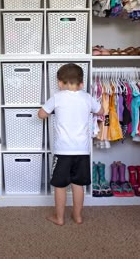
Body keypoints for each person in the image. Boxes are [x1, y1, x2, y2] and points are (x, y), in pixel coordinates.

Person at [38, 63, 103, 226]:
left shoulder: (57, 97)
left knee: (59, 186)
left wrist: (52, 111)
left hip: (63, 151)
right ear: (81, 84)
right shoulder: (87, 97)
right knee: (78, 184)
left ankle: (59, 218)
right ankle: (78, 216)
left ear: (60, 83)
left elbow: (41, 114)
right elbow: (101, 112)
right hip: (82, 151)